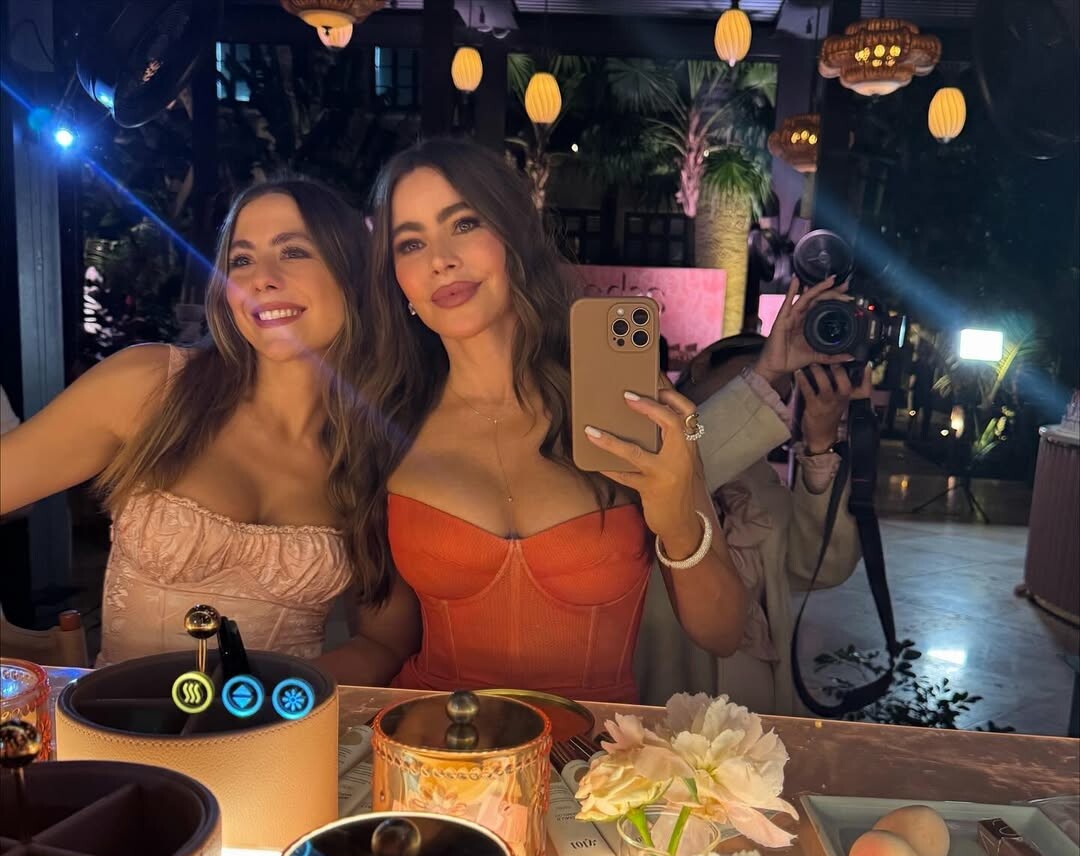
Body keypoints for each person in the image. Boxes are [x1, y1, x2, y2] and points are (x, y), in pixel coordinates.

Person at [329, 138, 748, 702]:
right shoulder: (386, 427)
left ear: (514, 237)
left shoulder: (626, 406)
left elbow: (723, 633)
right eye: (411, 243)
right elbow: (382, 643)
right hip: (433, 746)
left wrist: (677, 518)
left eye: (464, 224)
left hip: (598, 755)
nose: (439, 260)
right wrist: (274, 684)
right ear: (397, 280)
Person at [0, 179, 366, 664]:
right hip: (117, 714)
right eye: (241, 260)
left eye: (293, 251)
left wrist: (291, 694)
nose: (261, 279)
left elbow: (382, 638)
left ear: (354, 275)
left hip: (283, 715)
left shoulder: (371, 445)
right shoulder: (152, 386)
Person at [635, 278, 865, 715]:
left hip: (752, 710)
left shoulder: (759, 483)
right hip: (663, 696)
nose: (766, 400)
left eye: (780, 396)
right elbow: (685, 468)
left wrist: (821, 446)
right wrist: (767, 372)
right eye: (751, 378)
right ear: (702, 365)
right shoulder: (632, 446)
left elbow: (821, 568)